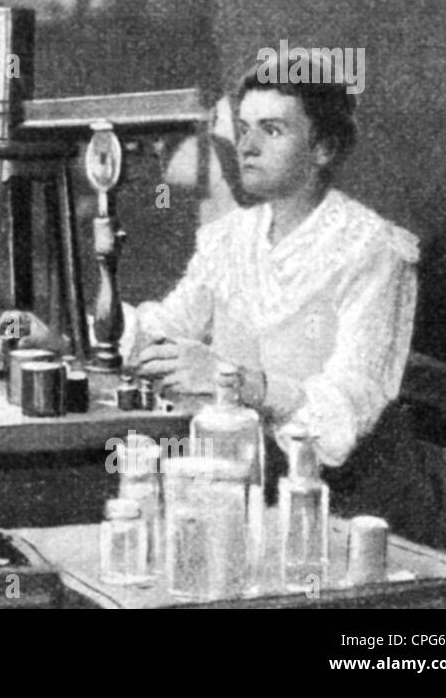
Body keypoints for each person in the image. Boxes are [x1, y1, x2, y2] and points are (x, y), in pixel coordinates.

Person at [129, 53, 419, 471]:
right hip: (233, 465)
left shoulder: (373, 250)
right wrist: (68, 339)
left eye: (272, 130)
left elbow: (348, 406)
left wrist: (232, 380)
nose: (247, 147)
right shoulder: (231, 237)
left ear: (323, 148)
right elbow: (165, 330)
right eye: (244, 128)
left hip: (330, 483)